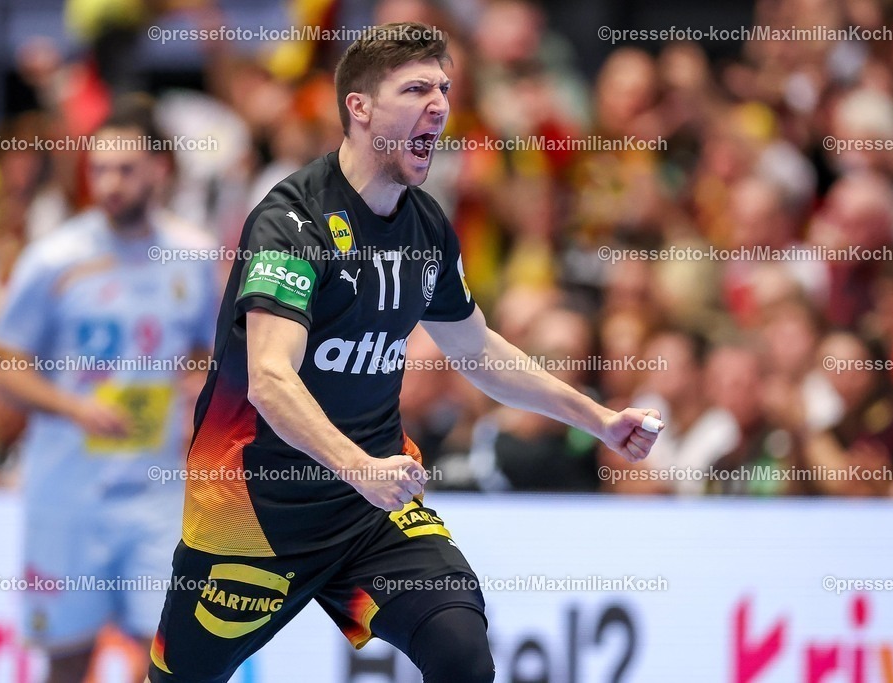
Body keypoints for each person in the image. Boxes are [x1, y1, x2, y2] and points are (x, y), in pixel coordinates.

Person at [147, 23, 662, 683]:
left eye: (443, 88)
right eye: (417, 89)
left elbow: (478, 352)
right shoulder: (290, 223)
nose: (440, 105)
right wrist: (359, 466)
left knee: (461, 651)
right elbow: (269, 380)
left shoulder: (426, 226)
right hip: (254, 515)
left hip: (370, 512)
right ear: (359, 107)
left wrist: (600, 419)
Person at [0, 96, 218, 682]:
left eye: (126, 169)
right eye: (99, 169)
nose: (110, 184)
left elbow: (215, 352)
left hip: (157, 492)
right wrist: (73, 407)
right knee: (66, 662)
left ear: (160, 169)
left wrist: (199, 393)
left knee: (167, 658)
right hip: (68, 492)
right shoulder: (54, 259)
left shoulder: (193, 256)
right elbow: (0, 366)